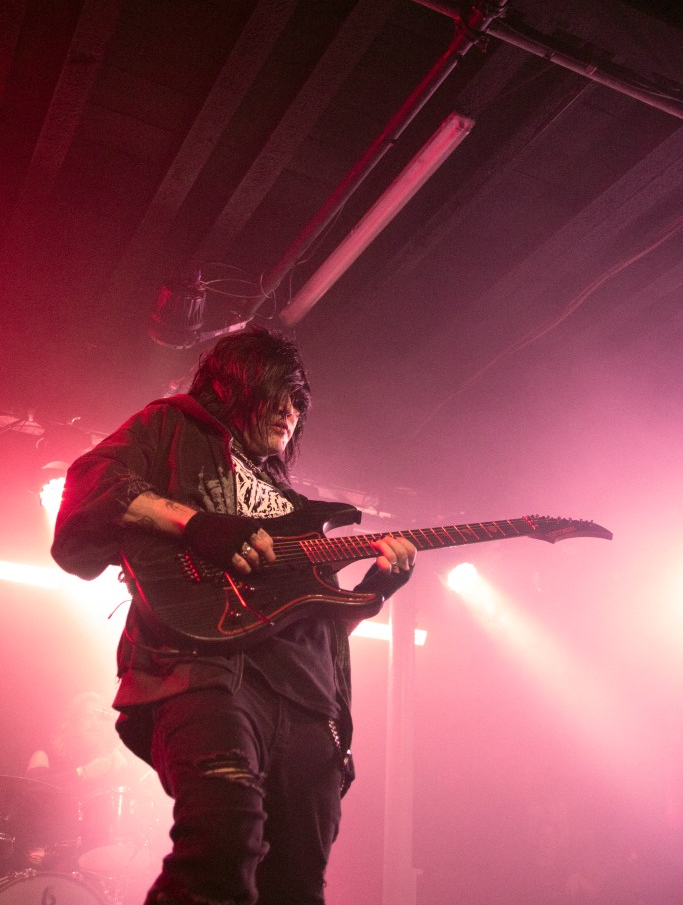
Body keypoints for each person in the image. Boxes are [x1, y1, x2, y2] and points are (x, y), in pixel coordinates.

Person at [51, 327, 416, 905]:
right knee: (223, 837)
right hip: (204, 673)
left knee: (297, 884)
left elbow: (310, 623)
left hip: (306, 699)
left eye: (298, 403)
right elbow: (92, 485)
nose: (290, 412)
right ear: (237, 384)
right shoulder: (171, 426)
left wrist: (376, 589)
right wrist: (197, 524)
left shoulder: (294, 505)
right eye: (279, 394)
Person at [21, 691, 128, 871]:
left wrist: (126, 773)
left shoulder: (110, 761)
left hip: (92, 863)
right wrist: (82, 773)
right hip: (46, 862)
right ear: (73, 722)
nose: (95, 723)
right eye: (89, 716)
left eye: (100, 717)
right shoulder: (46, 755)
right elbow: (29, 793)